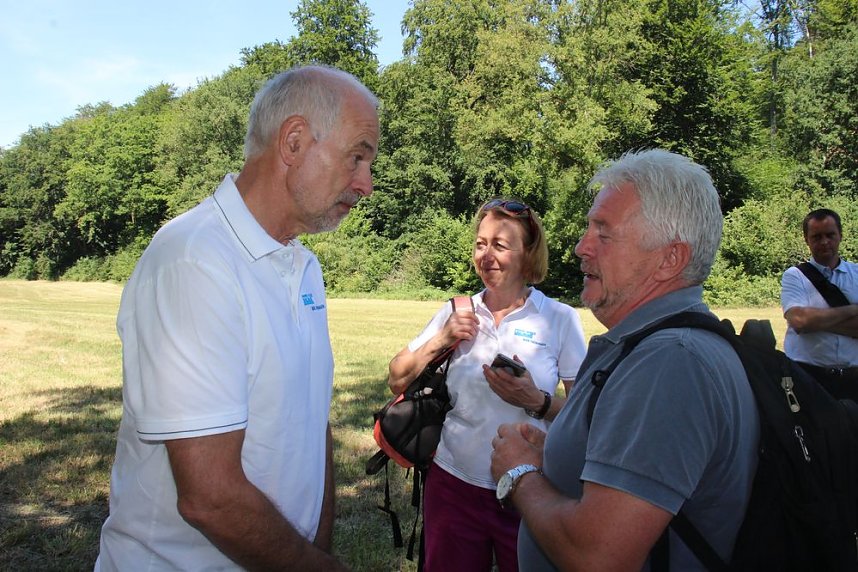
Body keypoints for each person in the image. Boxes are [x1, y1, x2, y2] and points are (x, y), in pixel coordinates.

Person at [95, 65, 379, 570]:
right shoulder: (195, 258)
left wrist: (316, 548)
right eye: (357, 156)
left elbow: (313, 426)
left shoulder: (304, 266)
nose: (367, 183)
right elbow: (210, 497)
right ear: (293, 142)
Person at [490, 149, 760, 571]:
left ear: (670, 259)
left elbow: (598, 558)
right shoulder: (653, 346)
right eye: (588, 228)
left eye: (604, 232)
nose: (581, 247)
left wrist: (520, 474)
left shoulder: (671, 363)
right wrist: (560, 460)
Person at [387, 199, 587, 571]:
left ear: (527, 254)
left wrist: (537, 401)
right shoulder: (458, 310)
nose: (486, 255)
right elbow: (396, 376)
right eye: (481, 244)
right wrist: (442, 339)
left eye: (500, 245)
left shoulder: (559, 320)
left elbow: (586, 418)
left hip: (528, 490)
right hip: (453, 485)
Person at [781, 208, 858, 401]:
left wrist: (815, 321)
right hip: (809, 377)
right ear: (806, 240)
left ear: (840, 235)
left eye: (830, 235)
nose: (824, 242)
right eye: (816, 237)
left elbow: (805, 322)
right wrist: (853, 310)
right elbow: (799, 321)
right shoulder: (794, 276)